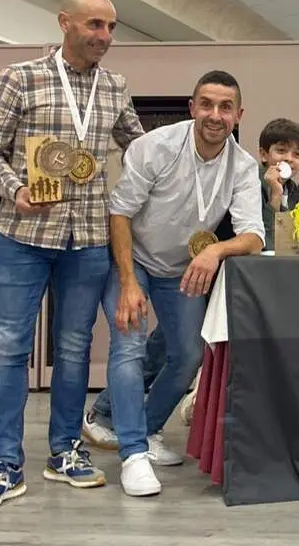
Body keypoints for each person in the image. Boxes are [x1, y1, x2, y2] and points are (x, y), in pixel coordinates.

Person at [0, 0, 145, 512]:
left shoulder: (115, 87)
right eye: (94, 25)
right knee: (8, 350)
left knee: (73, 352)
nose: (104, 37)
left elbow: (139, 147)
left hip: (88, 240)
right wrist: (14, 190)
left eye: (111, 28)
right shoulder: (19, 77)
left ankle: (64, 451)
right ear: (65, 22)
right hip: (23, 238)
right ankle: (3, 462)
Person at [106, 70, 265, 496]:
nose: (215, 115)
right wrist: (127, 282)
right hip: (135, 258)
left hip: (183, 267)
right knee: (129, 344)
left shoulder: (244, 166)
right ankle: (133, 453)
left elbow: (254, 235)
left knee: (189, 355)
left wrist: (215, 251)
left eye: (225, 107)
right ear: (192, 107)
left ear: (238, 115)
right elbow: (119, 212)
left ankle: (147, 428)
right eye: (207, 104)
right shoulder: (153, 147)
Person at [255, 118, 299, 248]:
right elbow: (265, 241)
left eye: (297, 154)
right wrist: (275, 196)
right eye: (281, 151)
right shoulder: (253, 182)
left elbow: (298, 236)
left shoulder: (291, 188)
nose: (289, 158)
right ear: (263, 155)